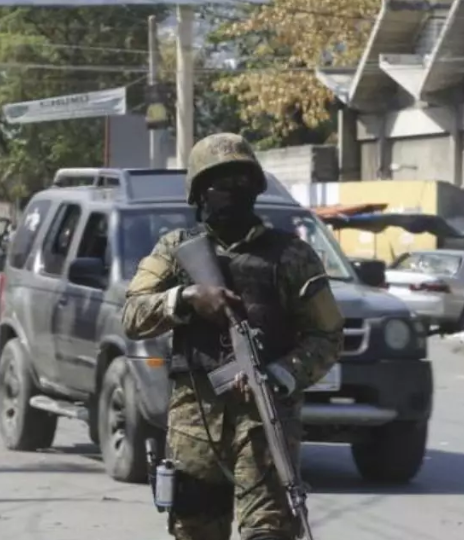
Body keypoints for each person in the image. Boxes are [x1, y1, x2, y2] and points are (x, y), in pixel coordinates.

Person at [122, 133, 344, 540]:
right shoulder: (174, 251)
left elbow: (327, 335)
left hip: (265, 424)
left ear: (256, 188)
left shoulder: (291, 256)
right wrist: (186, 298)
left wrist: (280, 373)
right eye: (220, 183)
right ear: (198, 193)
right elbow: (133, 315)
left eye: (242, 182)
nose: (233, 192)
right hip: (195, 427)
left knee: (271, 532)